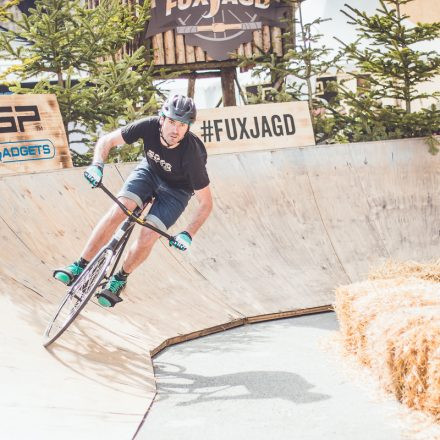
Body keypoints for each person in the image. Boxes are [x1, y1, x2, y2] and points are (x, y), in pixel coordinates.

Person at [53, 94, 213, 307]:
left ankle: (119, 279)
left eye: (183, 125)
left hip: (177, 191)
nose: (176, 130)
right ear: (162, 119)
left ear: (188, 127)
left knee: (149, 234)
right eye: (172, 121)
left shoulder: (192, 154)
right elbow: (107, 140)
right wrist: (97, 164)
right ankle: (79, 265)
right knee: (119, 209)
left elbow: (206, 203)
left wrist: (188, 234)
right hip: (149, 172)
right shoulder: (148, 126)